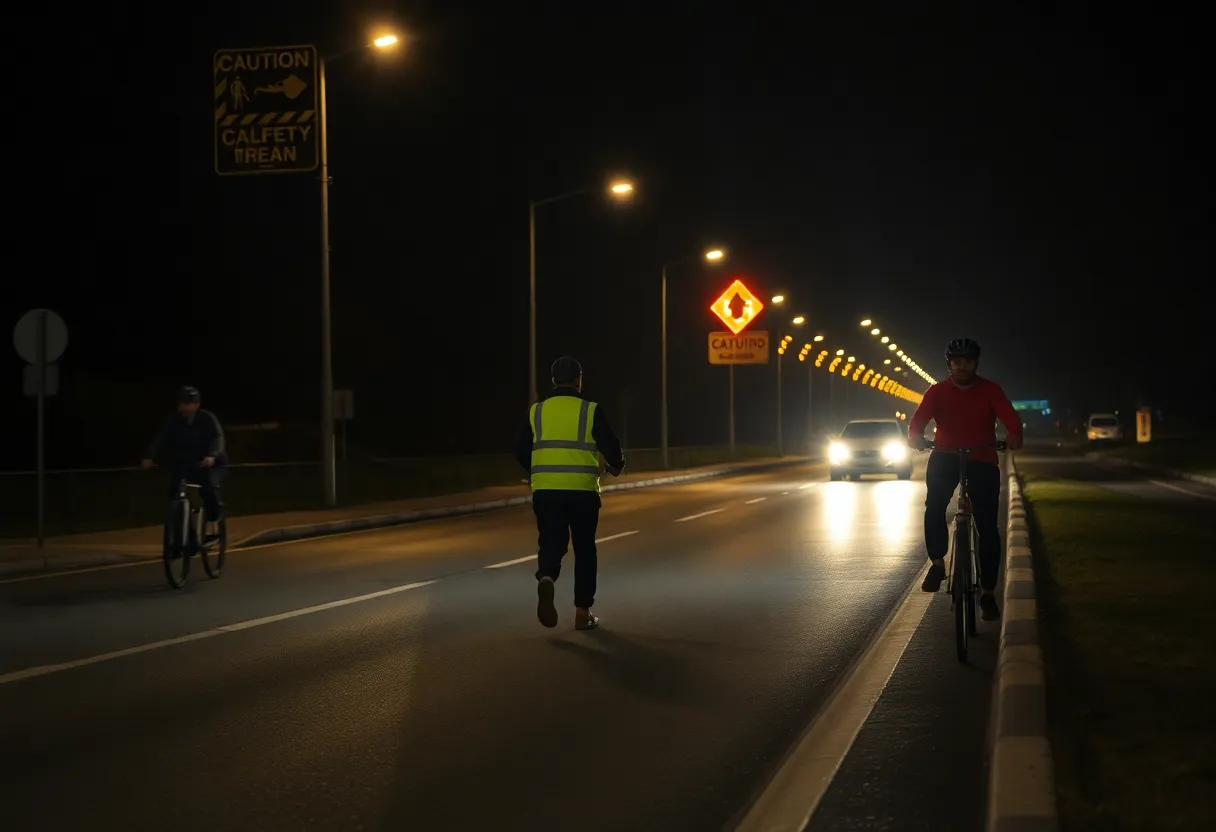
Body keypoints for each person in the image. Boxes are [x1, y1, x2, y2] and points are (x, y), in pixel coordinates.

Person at [906, 338, 1023, 620]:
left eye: (967, 362)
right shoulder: (937, 392)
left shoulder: (990, 390)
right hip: (945, 456)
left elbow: (1011, 420)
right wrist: (916, 438)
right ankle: (937, 564)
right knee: (934, 505)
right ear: (949, 365)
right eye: (956, 362)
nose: (962, 367)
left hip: (982, 458)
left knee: (987, 524)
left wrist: (1014, 436)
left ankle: (987, 593)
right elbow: (917, 422)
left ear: (975, 364)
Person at [513, 356, 626, 631]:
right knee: (585, 549)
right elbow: (611, 446)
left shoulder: (536, 411)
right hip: (582, 492)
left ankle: (547, 577)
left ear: (553, 381)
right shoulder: (590, 410)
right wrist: (617, 465)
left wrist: (538, 469)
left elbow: (519, 450)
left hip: (546, 491)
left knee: (551, 541)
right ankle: (582, 612)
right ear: (579, 379)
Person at [141, 386, 228, 540]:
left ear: (197, 405)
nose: (185, 407)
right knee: (175, 494)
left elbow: (218, 437)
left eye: (189, 403)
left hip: (210, 463)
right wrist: (149, 456)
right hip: (188, 464)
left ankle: (215, 515)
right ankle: (185, 536)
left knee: (208, 487)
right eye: (183, 404)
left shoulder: (206, 418)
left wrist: (212, 455)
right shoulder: (173, 420)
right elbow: (160, 438)